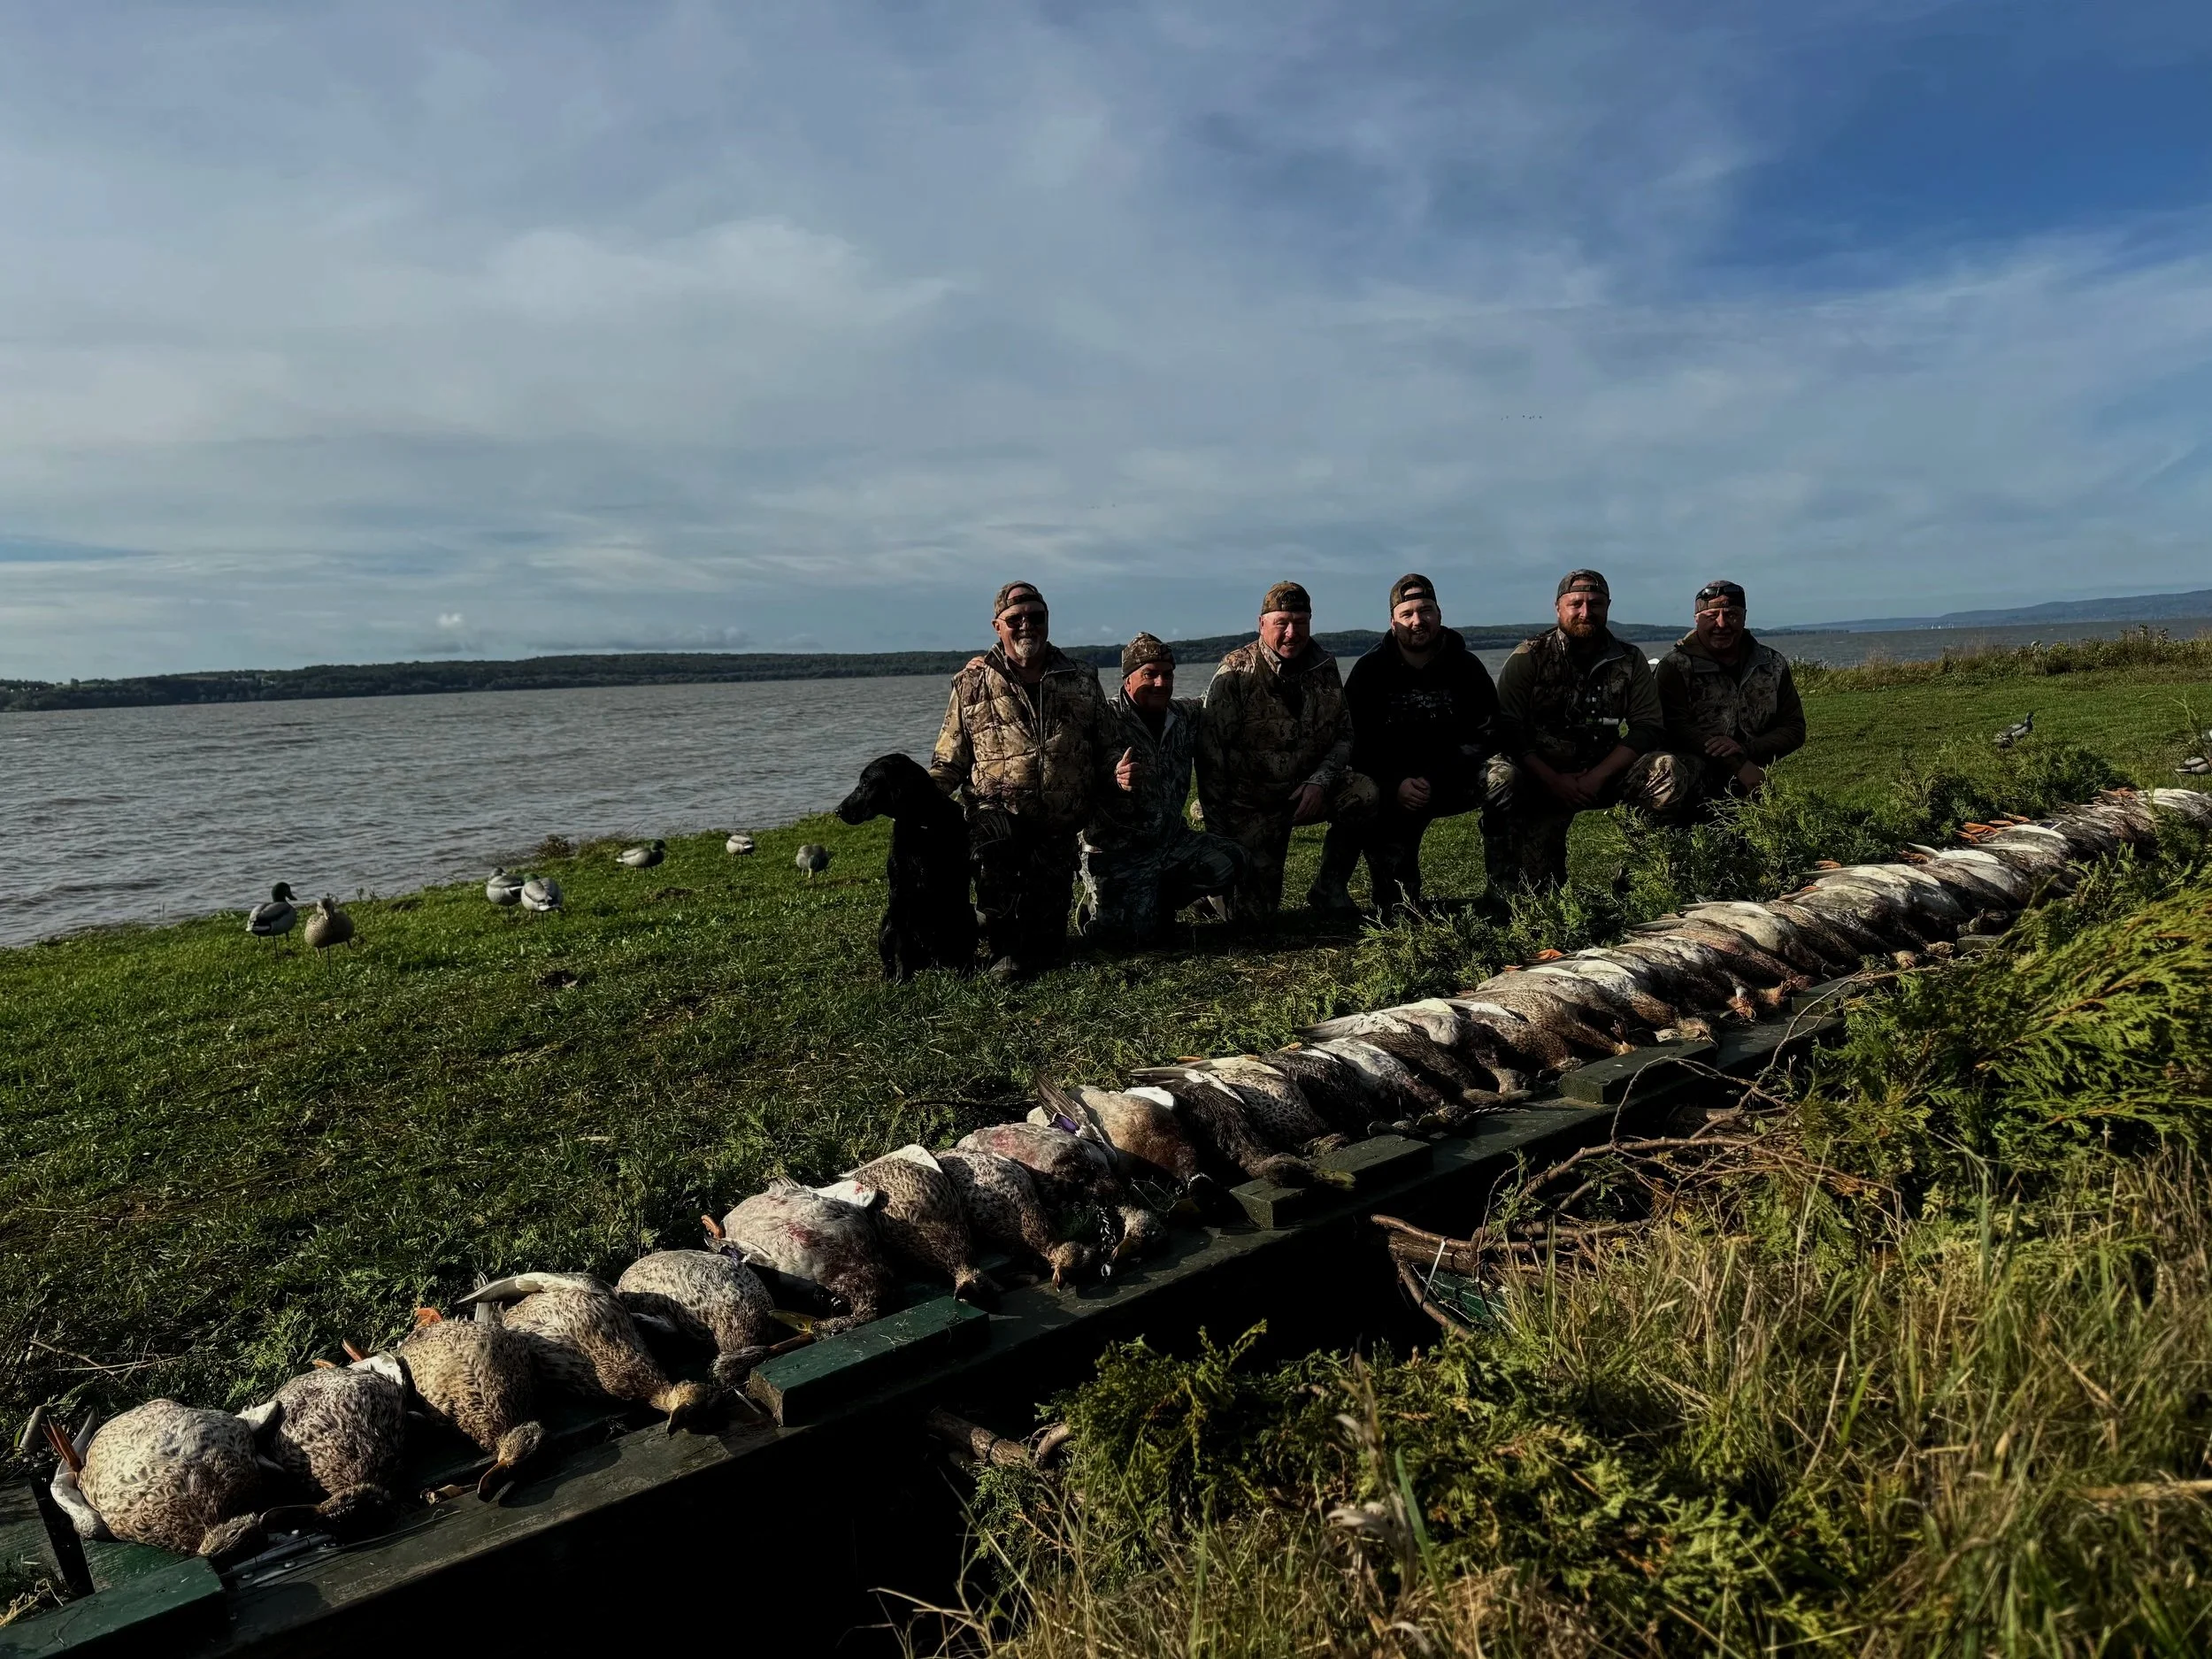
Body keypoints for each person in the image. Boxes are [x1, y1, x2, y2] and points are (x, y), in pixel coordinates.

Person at [928, 580, 1115, 978]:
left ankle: (988, 921)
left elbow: (1108, 746)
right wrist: (917, 798)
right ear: (998, 626)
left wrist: (1121, 769)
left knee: (1048, 946)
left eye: (1036, 616)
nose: (1027, 625)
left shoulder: (1081, 678)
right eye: (1016, 619)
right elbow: (948, 762)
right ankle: (1000, 945)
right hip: (996, 820)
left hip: (1057, 829)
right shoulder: (971, 684)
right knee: (998, 847)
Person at [1483, 569, 1695, 891]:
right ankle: (1505, 889)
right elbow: (1508, 728)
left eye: (1595, 604)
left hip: (1604, 770)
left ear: (1608, 606)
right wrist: (1553, 779)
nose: (1586, 612)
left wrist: (1597, 776)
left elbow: (1647, 727)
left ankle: (1641, 882)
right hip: (1540, 772)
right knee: (1538, 891)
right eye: (1576, 604)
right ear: (1559, 608)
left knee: (1665, 770)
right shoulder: (1530, 656)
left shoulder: (1629, 659)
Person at [1195, 580, 1379, 921]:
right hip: (1252, 804)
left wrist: (1319, 782)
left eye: (1301, 622)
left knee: (1364, 793)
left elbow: (1344, 734)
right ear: (1262, 624)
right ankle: (1213, 896)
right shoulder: (1235, 671)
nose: (1292, 632)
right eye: (1282, 623)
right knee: (1253, 919)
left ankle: (1329, 889)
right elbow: (1210, 757)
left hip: (1308, 792)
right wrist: (1219, 831)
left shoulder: (1324, 666)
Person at [1333, 572, 1499, 919]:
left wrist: (1437, 777)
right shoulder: (1369, 671)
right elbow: (1356, 740)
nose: (1417, 620)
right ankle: (1377, 890)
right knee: (1398, 911)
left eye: (1425, 611)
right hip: (1395, 790)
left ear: (1439, 615)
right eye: (1407, 613)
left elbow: (1488, 731)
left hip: (1453, 780)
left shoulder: (1466, 666)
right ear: (1393, 622)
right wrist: (1396, 784)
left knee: (1506, 778)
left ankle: (1507, 888)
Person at [1077, 634, 1246, 945]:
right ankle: (1099, 908)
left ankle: (1162, 901)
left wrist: (1240, 662)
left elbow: (1223, 696)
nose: (1161, 683)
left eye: (1167, 675)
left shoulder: (1183, 716)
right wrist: (1115, 775)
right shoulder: (1104, 719)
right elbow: (1082, 766)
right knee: (1130, 940)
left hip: (1170, 841)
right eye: (1150, 674)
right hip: (1118, 851)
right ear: (1127, 680)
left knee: (1232, 860)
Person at [1655, 580, 1806, 802]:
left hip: (1752, 771)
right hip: (1689, 776)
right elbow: (1673, 727)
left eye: (1732, 614)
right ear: (1697, 619)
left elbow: (1794, 728)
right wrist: (1737, 763)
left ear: (1744, 617)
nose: (1722, 624)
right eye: (1711, 615)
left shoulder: (1772, 664)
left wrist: (1746, 750)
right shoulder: (1675, 667)